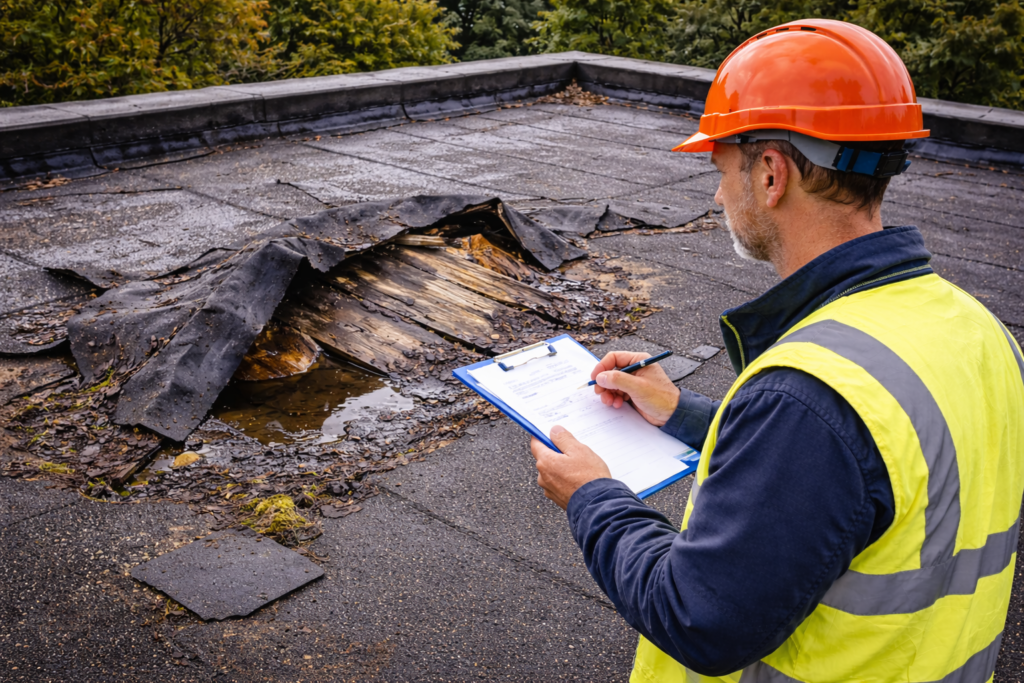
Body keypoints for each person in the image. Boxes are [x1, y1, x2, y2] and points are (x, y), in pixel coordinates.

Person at [530, 18, 1024, 683]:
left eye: (720, 167)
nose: (715, 192)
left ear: (769, 174)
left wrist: (593, 496)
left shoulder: (810, 397)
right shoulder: (982, 332)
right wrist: (682, 411)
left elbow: (698, 615)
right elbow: (867, 475)